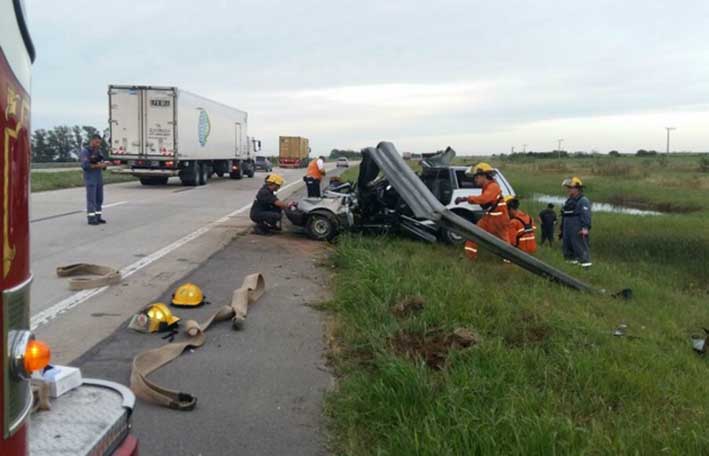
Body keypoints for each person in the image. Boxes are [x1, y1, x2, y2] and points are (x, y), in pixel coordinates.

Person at [454, 162, 510, 261]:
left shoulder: (493, 187)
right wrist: (465, 199)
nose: (474, 180)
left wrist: (466, 199)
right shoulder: (487, 187)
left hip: (498, 219)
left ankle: (509, 260)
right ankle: (469, 257)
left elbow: (484, 199)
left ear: (484, 176)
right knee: (474, 234)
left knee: (504, 243)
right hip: (491, 217)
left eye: (476, 177)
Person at [560, 176, 592, 268]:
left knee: (581, 251)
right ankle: (571, 270)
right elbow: (565, 215)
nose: (568, 190)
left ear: (577, 188)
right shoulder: (569, 201)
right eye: (567, 188)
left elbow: (586, 215)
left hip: (577, 230)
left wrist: (585, 228)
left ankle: (586, 270)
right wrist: (562, 229)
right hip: (568, 230)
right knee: (568, 252)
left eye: (570, 188)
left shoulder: (583, 201)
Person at [80, 134, 108, 225]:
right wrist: (98, 165)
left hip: (98, 177)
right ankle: (91, 218)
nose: (98, 144)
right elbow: (85, 166)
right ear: (92, 141)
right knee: (91, 199)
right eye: (97, 142)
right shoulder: (85, 151)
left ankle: (98, 217)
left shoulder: (98, 151)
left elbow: (102, 161)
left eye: (99, 143)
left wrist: (104, 164)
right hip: (90, 178)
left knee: (99, 199)